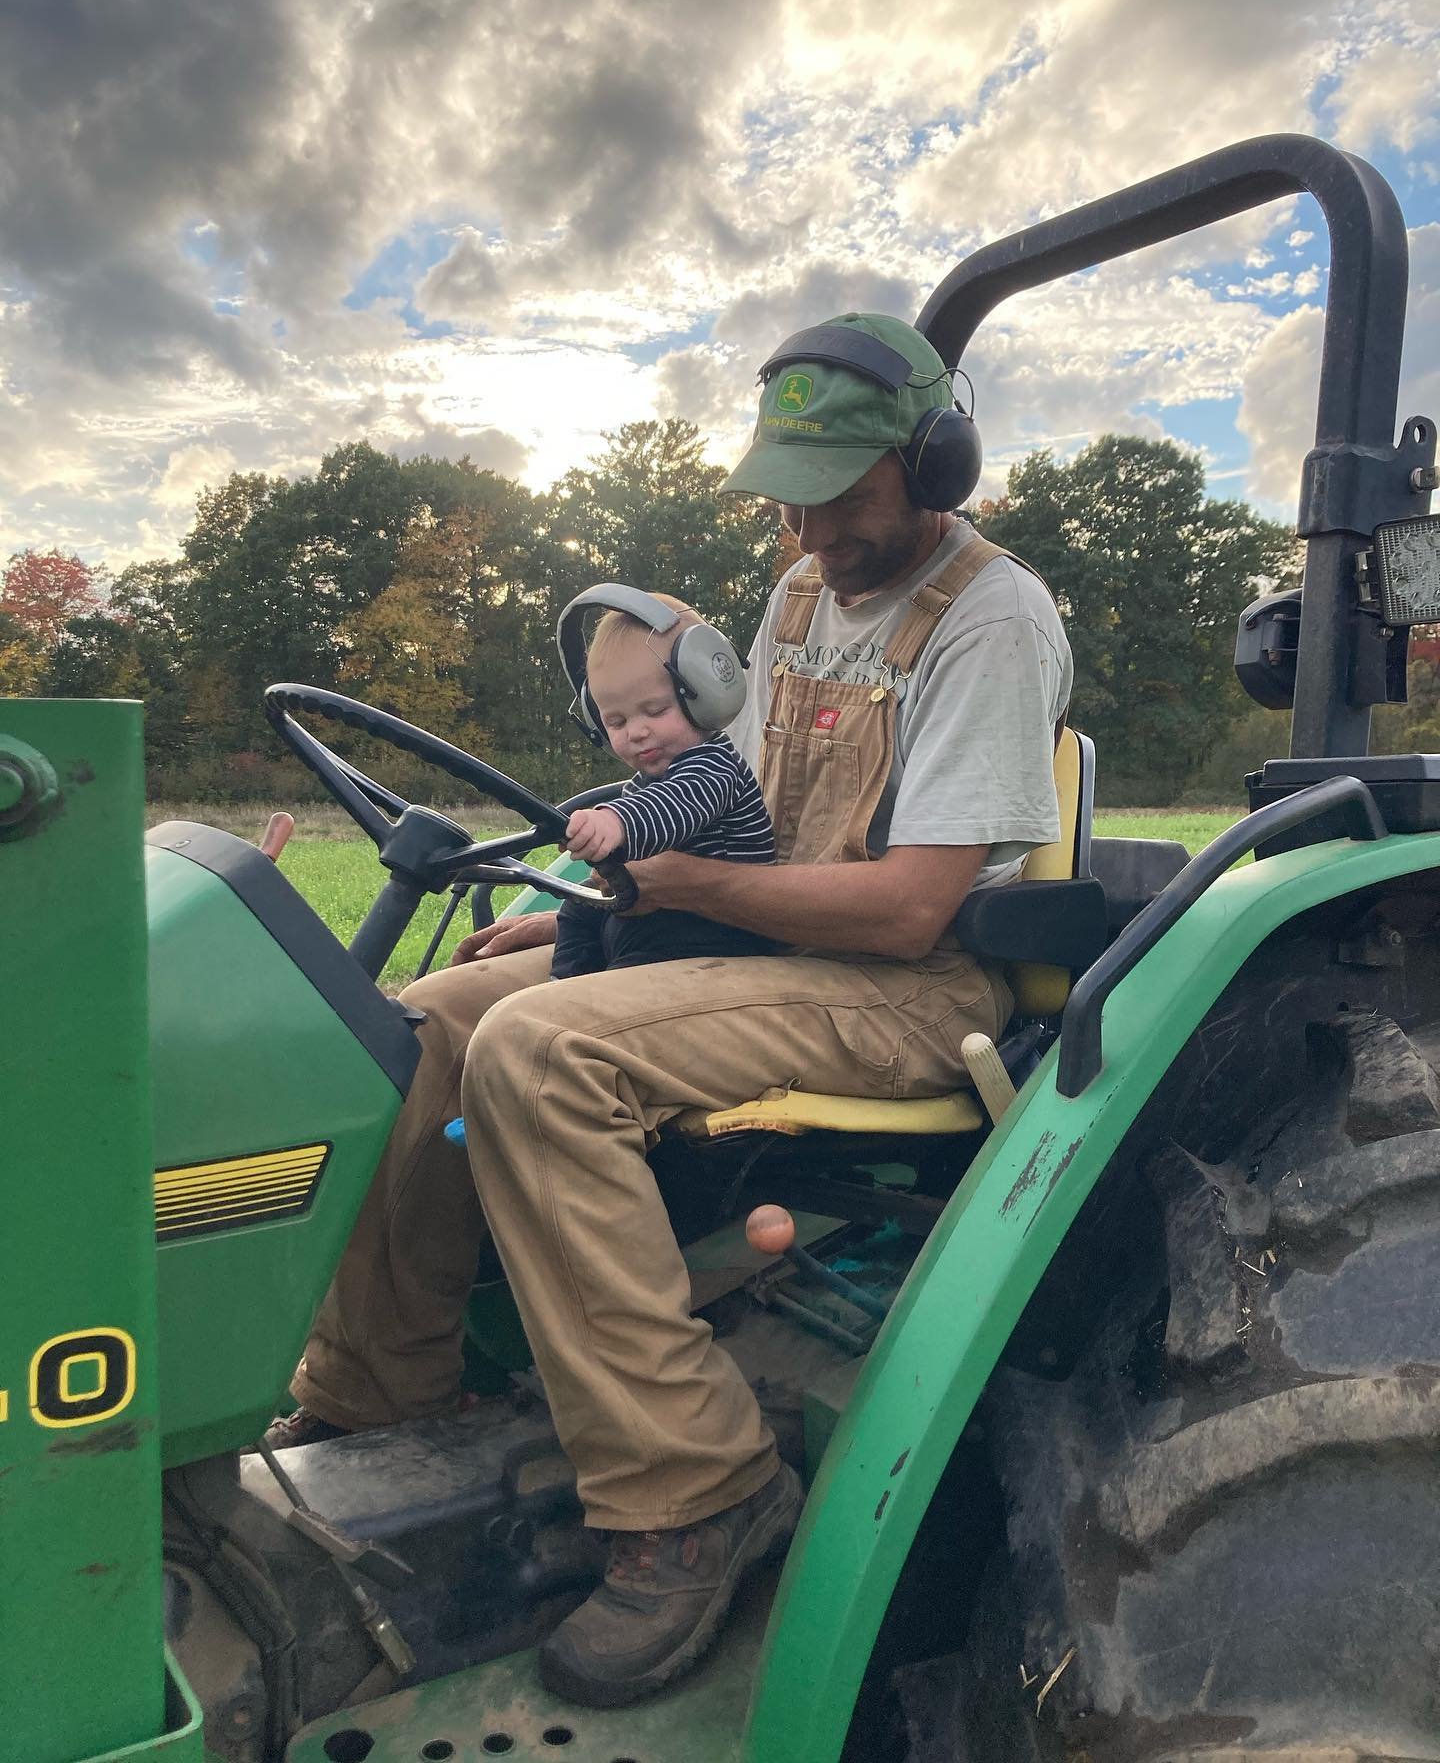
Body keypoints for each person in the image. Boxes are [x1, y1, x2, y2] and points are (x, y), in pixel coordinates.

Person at [267, 311, 1073, 1709]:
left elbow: (907, 911)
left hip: (902, 987)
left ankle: (697, 1491)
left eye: (841, 493)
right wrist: (587, 908)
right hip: (756, 940)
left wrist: (681, 886)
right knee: (435, 1016)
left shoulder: (992, 619)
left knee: (541, 1051)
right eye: (789, 495)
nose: (808, 528)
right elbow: (727, 798)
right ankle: (379, 1398)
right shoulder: (801, 593)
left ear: (935, 462)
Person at [550, 592, 779, 979]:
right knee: (578, 906)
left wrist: (615, 822)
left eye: (655, 710)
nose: (636, 732)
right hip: (663, 918)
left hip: (721, 937)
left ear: (707, 692)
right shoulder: (646, 782)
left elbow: (672, 808)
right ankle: (566, 982)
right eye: (616, 722)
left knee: (637, 942)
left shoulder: (715, 766)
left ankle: (592, 994)